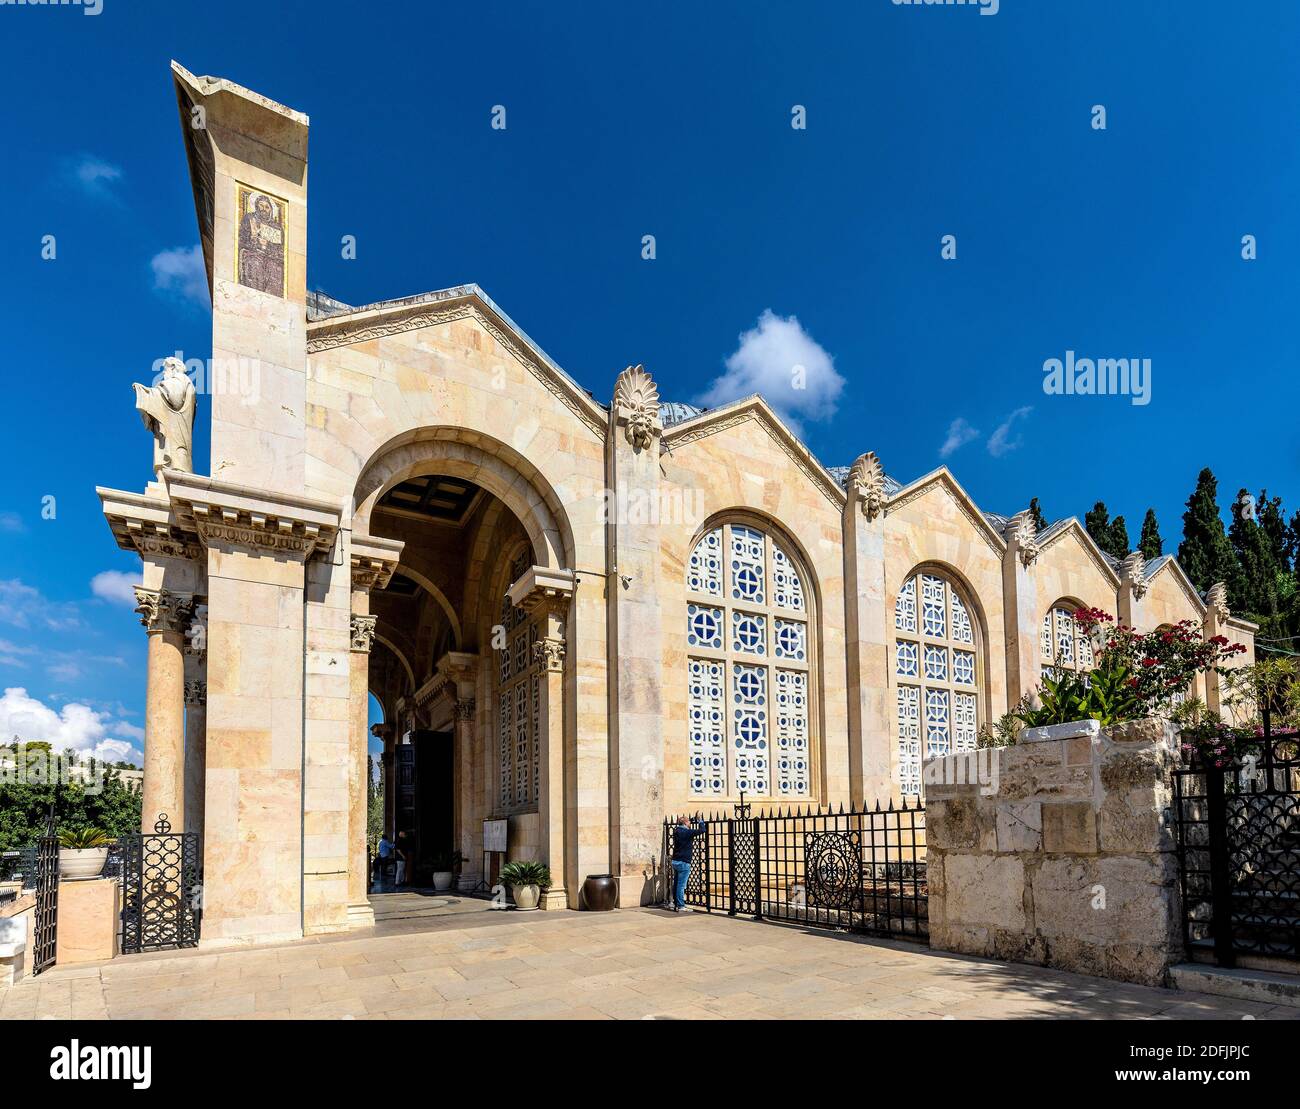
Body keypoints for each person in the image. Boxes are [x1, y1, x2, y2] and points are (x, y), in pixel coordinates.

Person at [668, 814, 703, 912]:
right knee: (681, 885)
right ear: (685, 823)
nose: (690, 823)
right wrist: (700, 821)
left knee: (676, 884)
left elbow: (683, 823)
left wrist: (691, 819)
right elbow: (702, 830)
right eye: (689, 822)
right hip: (684, 862)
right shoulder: (687, 832)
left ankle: (675, 903)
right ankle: (681, 905)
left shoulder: (677, 830)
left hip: (675, 861)